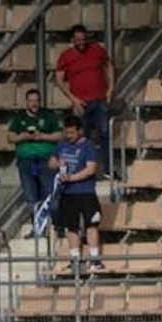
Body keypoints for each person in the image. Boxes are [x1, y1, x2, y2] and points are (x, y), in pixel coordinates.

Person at [54, 26, 114, 176]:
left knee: (105, 134)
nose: (81, 43)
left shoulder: (97, 50)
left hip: (100, 100)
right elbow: (59, 79)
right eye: (78, 40)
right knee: (82, 138)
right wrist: (73, 99)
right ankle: (82, 171)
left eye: (83, 39)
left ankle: (108, 170)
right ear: (72, 40)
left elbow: (109, 66)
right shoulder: (66, 56)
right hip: (81, 103)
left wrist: (111, 88)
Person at [50, 115, 106, 274]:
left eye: (72, 133)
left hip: (86, 192)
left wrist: (71, 178)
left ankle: (95, 259)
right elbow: (51, 162)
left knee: (91, 224)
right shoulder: (62, 145)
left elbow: (91, 168)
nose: (69, 136)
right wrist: (58, 163)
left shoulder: (88, 146)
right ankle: (75, 259)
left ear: (80, 131)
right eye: (67, 133)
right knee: (71, 226)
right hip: (68, 194)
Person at [9, 89, 62, 216]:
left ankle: (53, 226)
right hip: (26, 161)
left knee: (50, 193)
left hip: (46, 160)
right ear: (27, 102)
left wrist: (43, 136)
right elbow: (10, 138)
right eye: (31, 101)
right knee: (30, 196)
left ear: (40, 101)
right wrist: (23, 136)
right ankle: (36, 227)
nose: (34, 104)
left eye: (36, 101)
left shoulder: (49, 115)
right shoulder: (19, 116)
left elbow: (60, 135)